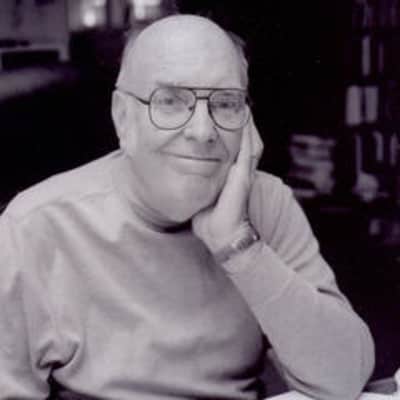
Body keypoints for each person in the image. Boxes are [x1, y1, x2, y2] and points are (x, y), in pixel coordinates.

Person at [0, 14, 374, 400]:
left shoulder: (266, 202)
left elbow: (344, 377)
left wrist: (239, 247)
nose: (202, 131)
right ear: (123, 118)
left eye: (225, 103)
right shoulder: (33, 227)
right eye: (170, 101)